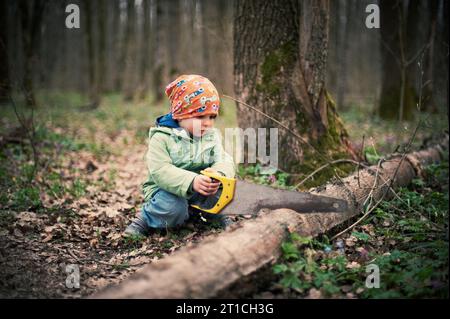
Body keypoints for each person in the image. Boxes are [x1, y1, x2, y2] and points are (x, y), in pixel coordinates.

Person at [125, 74, 236, 236]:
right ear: (181, 114)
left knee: (222, 196)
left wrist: (218, 173)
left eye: (212, 117)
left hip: (201, 188)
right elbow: (160, 170)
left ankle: (210, 215)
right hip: (166, 190)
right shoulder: (162, 137)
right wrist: (191, 181)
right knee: (172, 207)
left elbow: (224, 159)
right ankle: (145, 219)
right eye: (200, 116)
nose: (208, 123)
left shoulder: (211, 135)